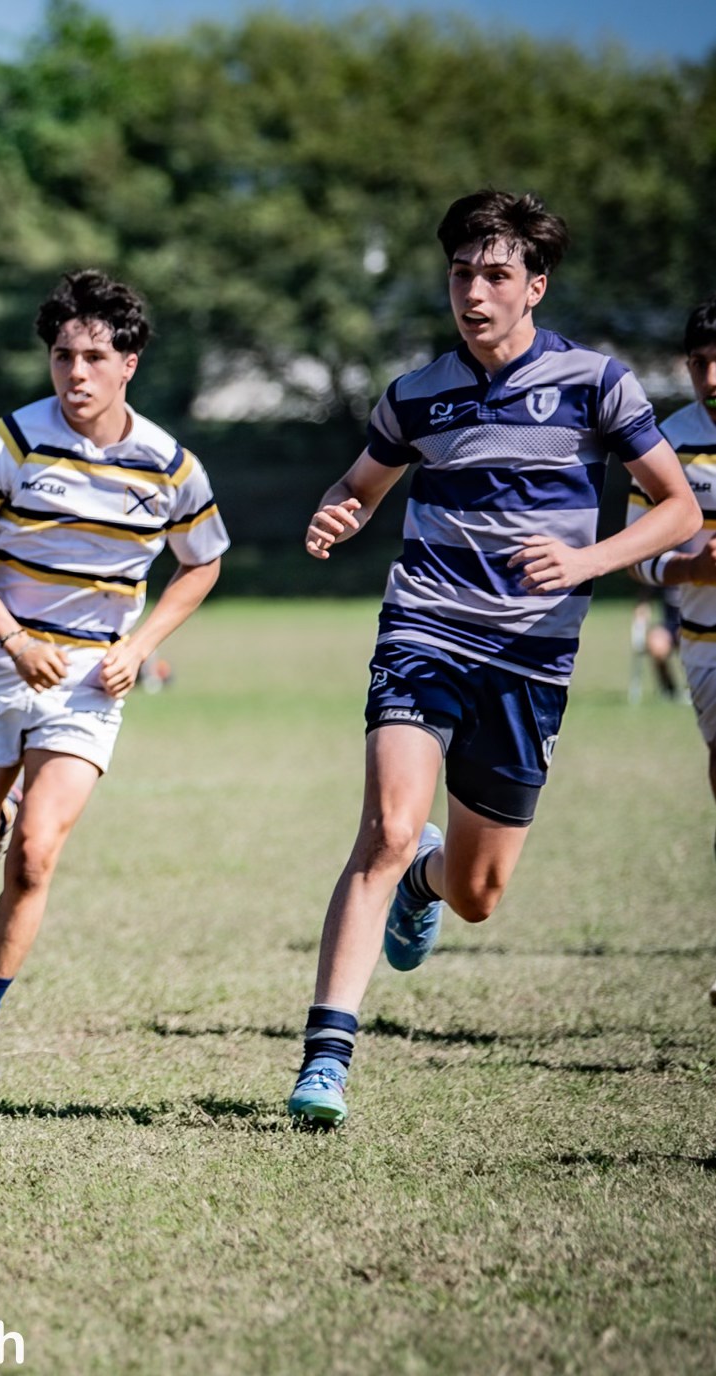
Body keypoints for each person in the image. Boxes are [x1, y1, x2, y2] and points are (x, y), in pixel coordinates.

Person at [287, 192, 701, 1128]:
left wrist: (588, 558)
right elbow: (360, 483)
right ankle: (325, 1060)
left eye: (495, 275)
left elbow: (676, 509)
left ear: (534, 287)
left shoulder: (597, 385)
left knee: (476, 893)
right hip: (425, 631)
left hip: (530, 661)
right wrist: (337, 510)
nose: (472, 291)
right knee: (386, 830)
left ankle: (429, 880)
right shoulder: (414, 394)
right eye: (460, 274)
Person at [0, 269, 228, 1080]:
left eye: (94, 356)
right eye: (62, 356)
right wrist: (14, 637)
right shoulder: (11, 441)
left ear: (129, 362)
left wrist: (139, 644)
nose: (76, 374)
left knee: (32, 857)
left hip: (90, 686)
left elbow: (202, 563)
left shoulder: (168, 464)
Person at [623, 291, 716, 1002]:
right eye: (697, 364)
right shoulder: (665, 444)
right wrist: (688, 567)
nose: (709, 379)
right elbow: (636, 554)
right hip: (704, 641)